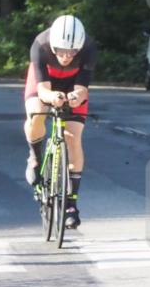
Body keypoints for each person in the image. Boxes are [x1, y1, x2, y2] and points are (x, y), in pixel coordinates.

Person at [23, 15, 96, 229]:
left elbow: (83, 87)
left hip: (73, 83)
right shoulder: (40, 45)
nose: (66, 56)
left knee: (73, 136)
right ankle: (35, 158)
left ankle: (71, 204)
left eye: (72, 52)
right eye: (61, 51)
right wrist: (52, 97)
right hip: (45, 83)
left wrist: (76, 97)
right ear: (53, 46)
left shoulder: (90, 48)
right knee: (36, 112)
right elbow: (43, 89)